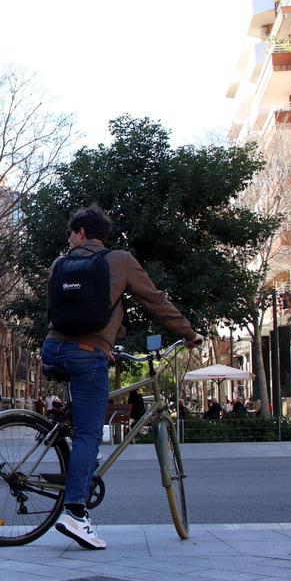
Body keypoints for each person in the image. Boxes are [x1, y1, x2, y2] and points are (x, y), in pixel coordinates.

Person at [42, 205, 202, 551]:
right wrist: (188, 334)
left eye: (71, 233)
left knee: (80, 428)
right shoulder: (121, 261)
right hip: (87, 356)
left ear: (83, 232)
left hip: (53, 349)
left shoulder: (59, 265)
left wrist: (104, 343)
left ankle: (73, 472)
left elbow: (62, 312)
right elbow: (156, 301)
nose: (68, 239)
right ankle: (75, 511)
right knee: (88, 434)